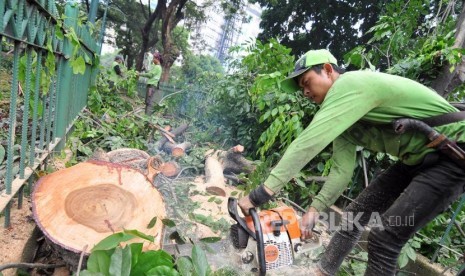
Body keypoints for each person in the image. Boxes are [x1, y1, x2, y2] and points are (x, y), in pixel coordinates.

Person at [238, 49, 465, 275]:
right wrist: (315, 210)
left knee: (384, 238)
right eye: (301, 88)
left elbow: (308, 142)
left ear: (328, 70)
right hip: (422, 156)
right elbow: (341, 172)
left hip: (454, 151)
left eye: (307, 82)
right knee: (353, 217)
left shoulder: (349, 84)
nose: (305, 92)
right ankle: (323, 272)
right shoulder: (346, 119)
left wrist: (260, 195)